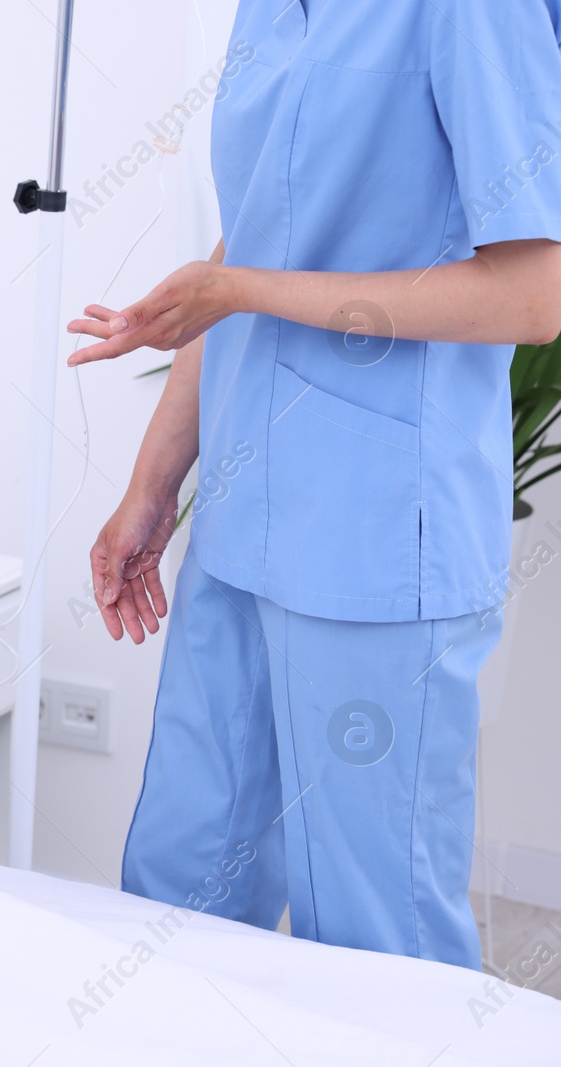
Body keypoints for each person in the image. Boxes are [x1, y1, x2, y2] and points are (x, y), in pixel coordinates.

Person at [69, 0, 561, 968]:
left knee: (376, 935)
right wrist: (153, 485)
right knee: (180, 886)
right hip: (241, 524)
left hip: (378, 535)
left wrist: (245, 291)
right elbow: (249, 239)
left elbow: (531, 290)